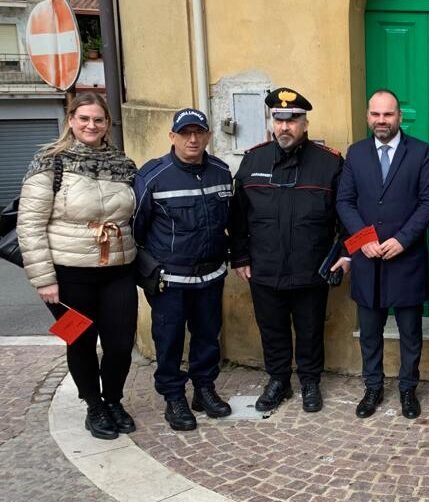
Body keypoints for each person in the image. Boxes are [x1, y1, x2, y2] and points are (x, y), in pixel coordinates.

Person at [17, 92, 139, 440]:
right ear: (71, 120)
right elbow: (29, 225)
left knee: (119, 343)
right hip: (67, 274)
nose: (91, 125)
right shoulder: (48, 162)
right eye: (84, 118)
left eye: (98, 119)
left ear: (107, 124)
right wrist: (43, 279)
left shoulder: (122, 164)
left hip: (117, 269)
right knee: (79, 341)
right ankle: (94, 404)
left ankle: (113, 399)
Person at [228, 87, 349, 414]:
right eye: (279, 119)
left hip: (310, 268)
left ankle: (310, 381)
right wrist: (239, 257)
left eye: (292, 120)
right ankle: (278, 380)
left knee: (310, 329)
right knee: (272, 329)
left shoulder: (330, 164)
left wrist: (345, 254)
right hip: (264, 269)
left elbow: (346, 215)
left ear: (305, 124)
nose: (285, 126)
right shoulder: (253, 161)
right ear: (271, 122)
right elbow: (237, 216)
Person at [337, 89, 429, 420]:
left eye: (388, 114)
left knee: (410, 332)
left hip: (405, 259)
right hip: (368, 259)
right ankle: (373, 387)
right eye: (376, 114)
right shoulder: (356, 153)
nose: (381, 121)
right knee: (370, 332)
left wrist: (404, 239)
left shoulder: (420, 152)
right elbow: (345, 201)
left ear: (399, 117)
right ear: (368, 116)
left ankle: (408, 388)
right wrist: (363, 238)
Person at [133, 108, 233, 431]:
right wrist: (149, 272)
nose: (193, 139)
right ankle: (174, 396)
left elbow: (230, 221)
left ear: (207, 136)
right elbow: (135, 230)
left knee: (207, 337)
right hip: (170, 281)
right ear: (172, 137)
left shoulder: (221, 171)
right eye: (185, 133)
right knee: (169, 340)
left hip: (211, 276)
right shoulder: (152, 176)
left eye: (199, 132)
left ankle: (204, 389)